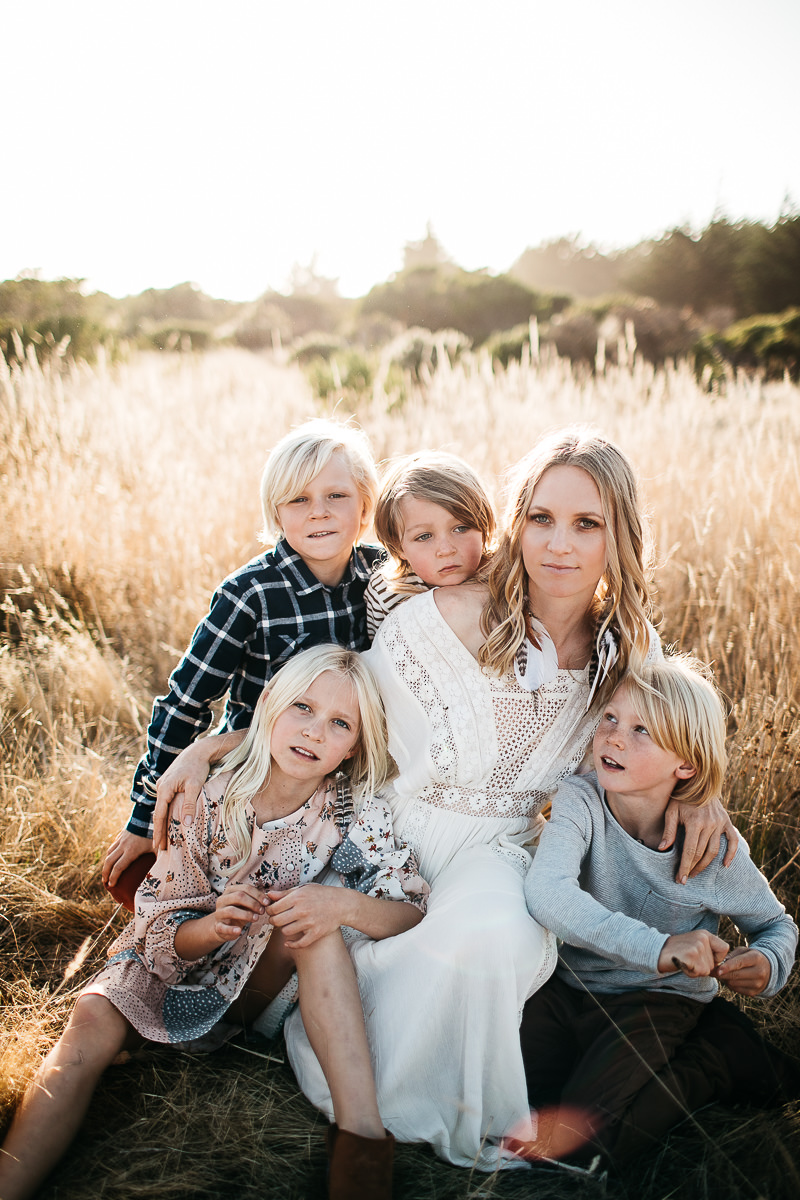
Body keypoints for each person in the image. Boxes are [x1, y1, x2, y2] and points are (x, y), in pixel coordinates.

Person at [153, 427, 736, 1170]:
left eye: (587, 523)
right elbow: (338, 709)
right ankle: (364, 1087)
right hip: (386, 836)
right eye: (541, 518)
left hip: (499, 848)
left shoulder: (627, 647)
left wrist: (701, 795)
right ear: (515, 522)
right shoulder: (442, 613)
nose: (559, 545)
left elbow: (670, 735)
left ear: (618, 534)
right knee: (316, 946)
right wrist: (214, 745)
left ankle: (424, 1102)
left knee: (495, 935)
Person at [0, 645, 428, 1200]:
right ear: (268, 704)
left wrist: (342, 905)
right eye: (302, 707)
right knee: (89, 1025)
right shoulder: (207, 792)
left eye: (340, 724)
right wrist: (213, 926)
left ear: (354, 747)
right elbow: (157, 928)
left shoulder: (352, 810)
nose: (314, 732)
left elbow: (409, 909)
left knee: (315, 927)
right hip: (165, 965)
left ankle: (362, 1142)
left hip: (250, 989)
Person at [516, 656, 797, 1169]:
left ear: (685, 765)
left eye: (641, 730)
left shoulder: (710, 849)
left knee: (579, 1147)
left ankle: (714, 1060)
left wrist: (768, 962)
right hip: (572, 988)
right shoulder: (580, 800)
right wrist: (660, 946)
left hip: (656, 999)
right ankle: (622, 1064)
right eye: (610, 718)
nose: (614, 738)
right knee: (511, 1102)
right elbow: (548, 893)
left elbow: (775, 924)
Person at [102, 418, 383, 902]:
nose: (318, 512)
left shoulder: (381, 575)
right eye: (298, 500)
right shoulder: (249, 593)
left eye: (336, 496)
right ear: (276, 513)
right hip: (255, 775)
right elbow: (184, 703)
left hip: (344, 769)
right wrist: (145, 816)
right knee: (169, 890)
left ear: (363, 507)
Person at [364, 451, 495, 638]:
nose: (446, 550)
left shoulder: (503, 578)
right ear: (398, 546)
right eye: (424, 536)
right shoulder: (387, 593)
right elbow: (382, 652)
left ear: (484, 526)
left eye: (461, 528)